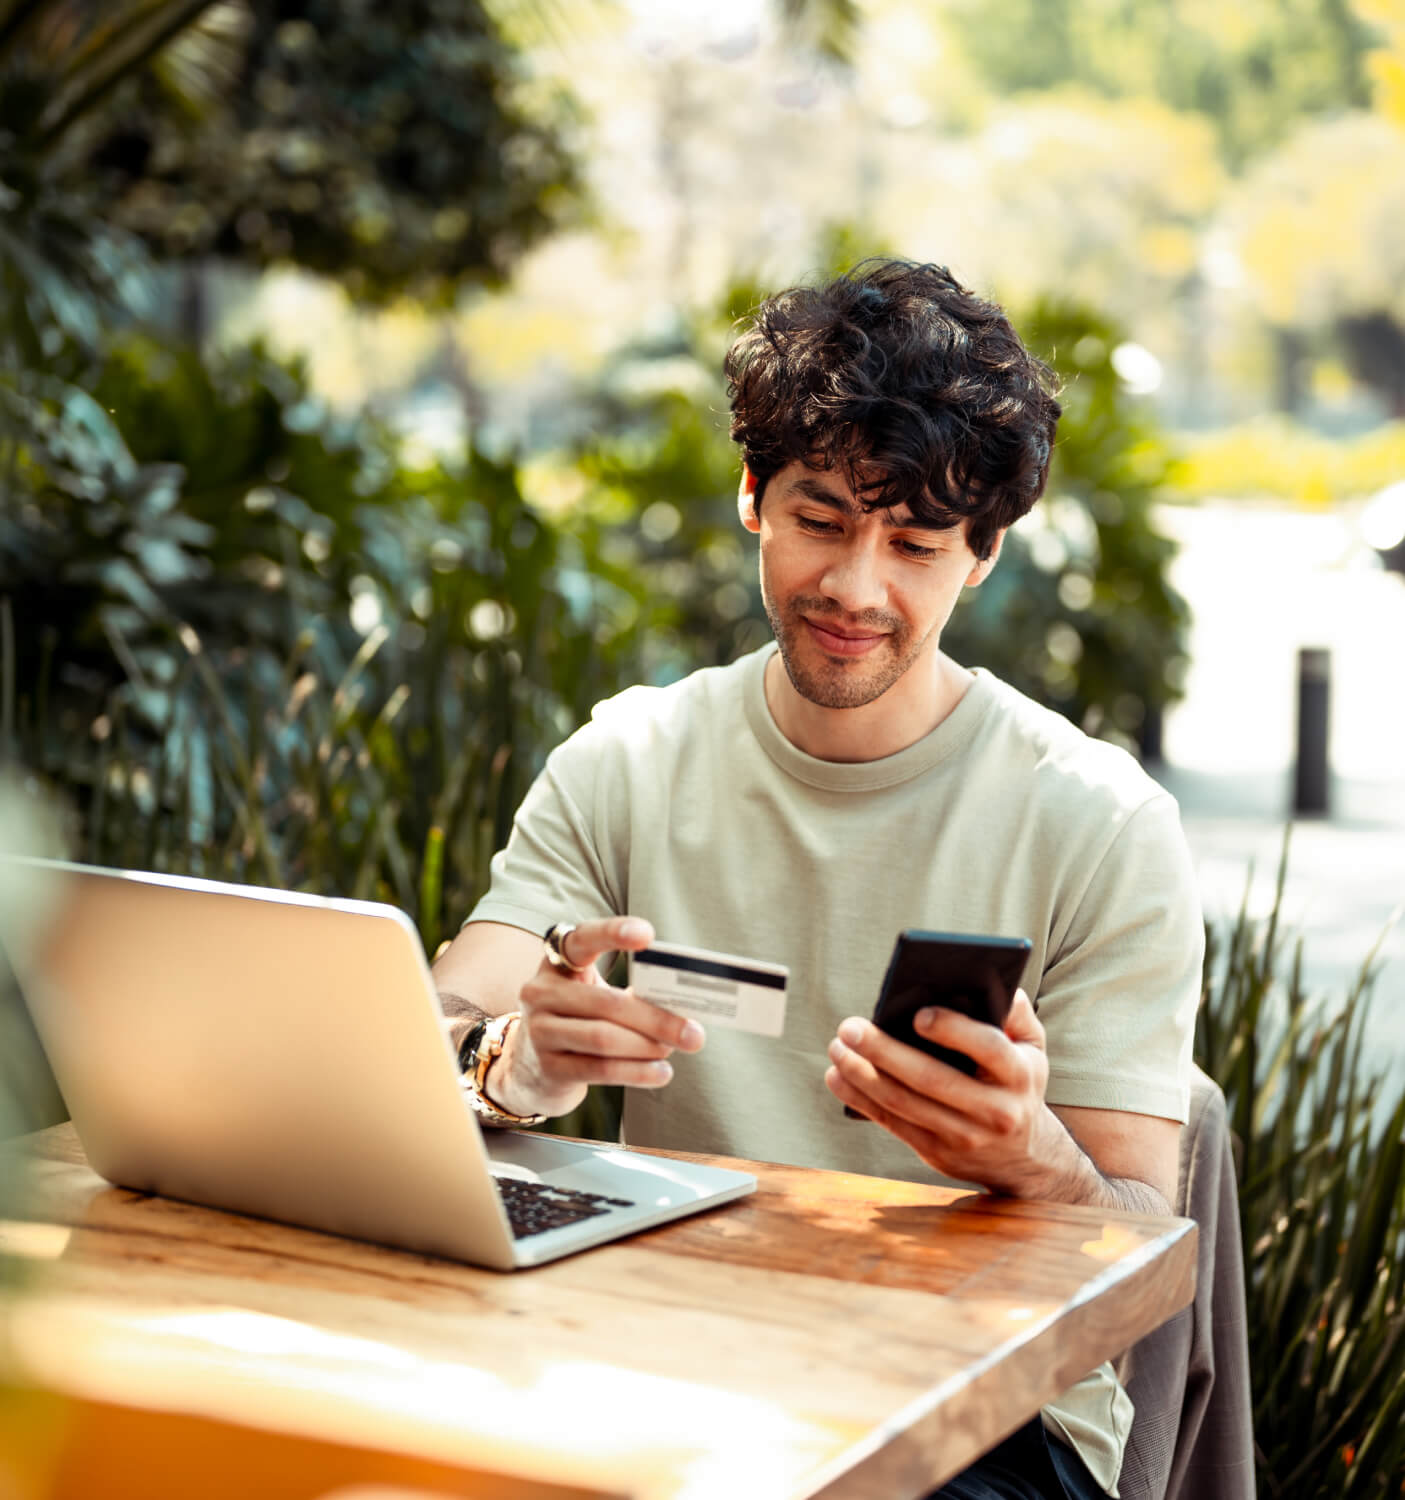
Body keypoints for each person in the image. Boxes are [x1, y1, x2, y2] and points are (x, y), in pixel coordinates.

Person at [431, 258, 1202, 1500]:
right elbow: (435, 1036)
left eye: (913, 541)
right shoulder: (628, 759)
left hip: (985, 1419)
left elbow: (1134, 1233)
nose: (855, 588)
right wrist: (511, 1065)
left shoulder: (1099, 821)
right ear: (752, 499)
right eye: (822, 521)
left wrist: (1030, 1154)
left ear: (983, 554)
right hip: (660, 1351)